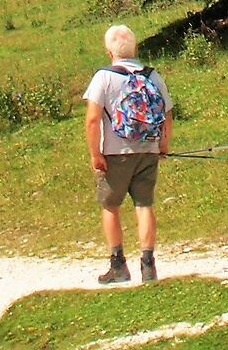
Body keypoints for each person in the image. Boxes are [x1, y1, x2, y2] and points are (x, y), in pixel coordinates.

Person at [82, 24, 172, 285]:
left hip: (115, 153)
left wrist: (95, 153)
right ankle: (148, 266)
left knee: (110, 205)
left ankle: (118, 265)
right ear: (135, 48)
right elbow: (167, 112)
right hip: (148, 148)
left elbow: (92, 119)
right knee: (144, 205)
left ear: (109, 51)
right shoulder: (152, 76)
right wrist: (163, 143)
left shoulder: (104, 77)